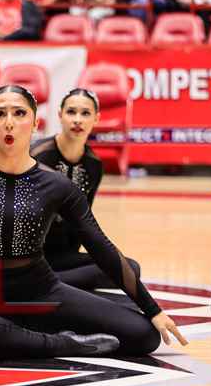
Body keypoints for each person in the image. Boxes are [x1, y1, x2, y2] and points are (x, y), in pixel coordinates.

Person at [0, 85, 187, 358]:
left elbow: (100, 246)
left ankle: (26, 335)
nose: (9, 123)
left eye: (19, 113)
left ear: (35, 123)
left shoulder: (58, 184)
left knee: (144, 335)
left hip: (43, 290)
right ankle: (62, 343)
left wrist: (152, 309)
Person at [31, 88, 142, 291]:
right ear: (60, 115)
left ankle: (44, 283)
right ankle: (34, 280)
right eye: (71, 112)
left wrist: (109, 258)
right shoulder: (38, 156)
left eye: (85, 113)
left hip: (64, 257)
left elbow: (84, 224)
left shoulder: (93, 165)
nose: (77, 120)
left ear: (96, 118)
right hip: (29, 254)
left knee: (130, 269)